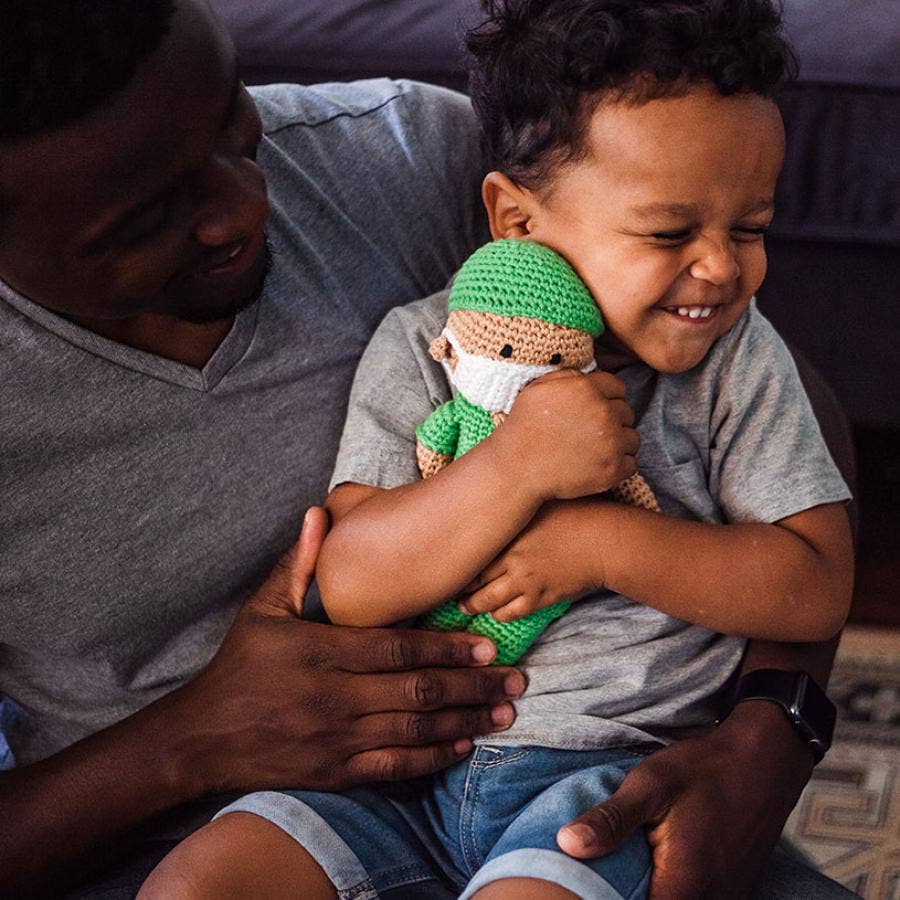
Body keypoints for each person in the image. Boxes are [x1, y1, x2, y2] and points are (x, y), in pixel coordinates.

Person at [0, 1, 853, 898]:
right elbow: (355, 573)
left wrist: (768, 736)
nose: (243, 209)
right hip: (244, 823)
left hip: (609, 775)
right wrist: (191, 742)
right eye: (142, 220)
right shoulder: (421, 344)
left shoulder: (417, 156)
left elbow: (785, 433)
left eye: (234, 129)